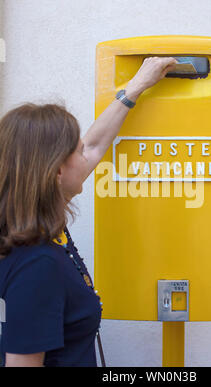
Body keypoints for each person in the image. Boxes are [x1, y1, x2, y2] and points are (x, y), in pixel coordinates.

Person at [0, 57, 177, 367]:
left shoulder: (28, 235)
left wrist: (135, 88)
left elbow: (94, 146)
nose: (89, 157)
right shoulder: (37, 264)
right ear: (56, 172)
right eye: (78, 152)